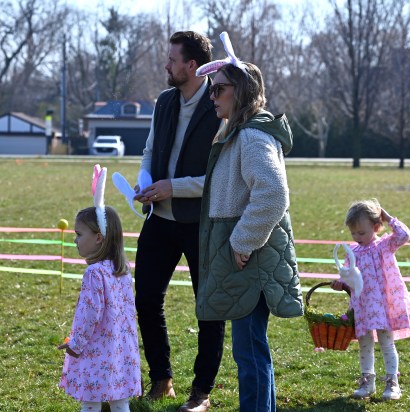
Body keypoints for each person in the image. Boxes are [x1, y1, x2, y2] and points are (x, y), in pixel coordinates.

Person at [194, 32, 303, 412]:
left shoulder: (253, 135)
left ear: (240, 91)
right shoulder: (240, 131)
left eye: (219, 88)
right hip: (246, 254)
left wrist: (241, 243)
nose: (212, 96)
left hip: (250, 257)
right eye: (211, 89)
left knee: (249, 351)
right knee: (252, 348)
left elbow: (272, 194)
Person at [133, 31, 225, 412]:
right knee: (146, 299)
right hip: (159, 220)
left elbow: (219, 179)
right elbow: (151, 150)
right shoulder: (164, 101)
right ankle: (162, 380)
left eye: (172, 60)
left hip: (200, 223)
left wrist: (173, 187)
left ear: (192, 65)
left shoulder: (220, 104)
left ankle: (201, 392)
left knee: (208, 307)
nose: (166, 66)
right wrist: (143, 183)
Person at [58, 165, 141, 412]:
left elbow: (89, 314)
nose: (75, 239)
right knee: (119, 401)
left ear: (98, 238)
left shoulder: (94, 273)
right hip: (120, 349)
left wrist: (76, 343)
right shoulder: (121, 268)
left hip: (96, 350)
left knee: (91, 400)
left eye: (79, 234)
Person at [331, 198, 410, 401]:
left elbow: (404, 235)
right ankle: (367, 382)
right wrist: (341, 283)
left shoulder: (384, 246)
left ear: (376, 227)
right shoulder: (352, 252)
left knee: (387, 343)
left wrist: (389, 218)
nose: (357, 237)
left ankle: (392, 382)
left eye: (361, 232)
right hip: (362, 305)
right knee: (364, 343)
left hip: (383, 305)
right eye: (353, 233)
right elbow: (349, 277)